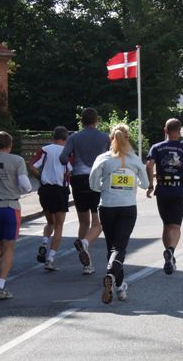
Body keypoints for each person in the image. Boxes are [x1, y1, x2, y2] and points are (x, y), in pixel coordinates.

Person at [89, 124, 148, 304]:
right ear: (127, 138)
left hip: (107, 206)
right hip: (127, 207)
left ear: (111, 138)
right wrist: (134, 182)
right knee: (119, 248)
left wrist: (104, 187)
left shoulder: (103, 158)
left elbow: (92, 182)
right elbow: (145, 184)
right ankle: (112, 276)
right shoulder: (134, 159)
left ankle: (119, 286)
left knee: (111, 247)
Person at [59, 107, 110, 275]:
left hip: (78, 180)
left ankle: (87, 264)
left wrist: (72, 165)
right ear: (96, 121)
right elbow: (111, 157)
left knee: (83, 222)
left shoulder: (74, 137)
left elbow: (63, 158)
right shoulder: (104, 137)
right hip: (96, 180)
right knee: (97, 223)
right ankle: (85, 244)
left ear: (81, 121)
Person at [146, 118, 183, 275]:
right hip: (178, 188)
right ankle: (171, 251)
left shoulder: (157, 147)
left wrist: (150, 184)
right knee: (175, 226)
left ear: (165, 130)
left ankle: (169, 255)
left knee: (166, 225)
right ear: (179, 131)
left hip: (162, 189)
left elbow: (149, 165)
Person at [0, 132, 31, 300]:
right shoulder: (17, 160)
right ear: (10, 145)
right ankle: (0, 286)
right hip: (10, 207)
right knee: (8, 247)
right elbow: (26, 186)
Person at [28, 126, 71, 271]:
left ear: (53, 137)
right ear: (65, 139)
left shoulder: (45, 150)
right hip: (60, 190)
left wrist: (40, 178)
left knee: (50, 222)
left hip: (45, 190)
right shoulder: (67, 152)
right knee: (59, 226)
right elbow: (71, 170)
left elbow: (32, 166)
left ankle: (44, 243)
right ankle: (50, 258)